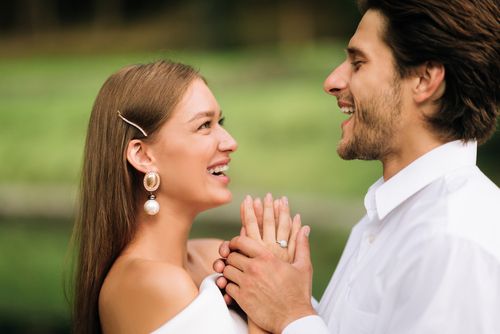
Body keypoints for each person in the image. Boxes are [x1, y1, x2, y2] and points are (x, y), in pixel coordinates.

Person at [215, 0, 500, 333]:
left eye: (358, 63)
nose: (333, 81)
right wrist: (273, 297)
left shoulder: (457, 241)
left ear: (424, 79)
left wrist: (291, 316)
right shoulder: (383, 219)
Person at [70, 60, 301, 334]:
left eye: (220, 122)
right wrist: (274, 308)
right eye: (204, 125)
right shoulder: (150, 283)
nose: (229, 142)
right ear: (143, 156)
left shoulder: (215, 255)